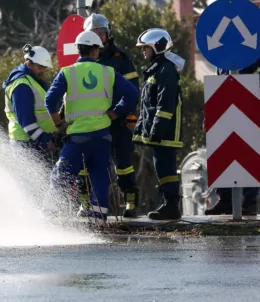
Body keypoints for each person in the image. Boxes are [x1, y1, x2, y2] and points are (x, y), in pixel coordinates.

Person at [44, 31, 139, 225]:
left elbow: (50, 100)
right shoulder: (108, 72)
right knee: (100, 179)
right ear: (96, 51)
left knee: (61, 176)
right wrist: (115, 113)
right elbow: (132, 93)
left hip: (77, 138)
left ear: (78, 50)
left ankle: (48, 218)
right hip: (102, 137)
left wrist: (59, 125)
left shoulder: (67, 72)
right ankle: (99, 222)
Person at [83, 14, 141, 217]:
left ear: (108, 34)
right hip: (93, 122)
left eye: (101, 33)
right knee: (90, 164)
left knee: (124, 164)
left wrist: (130, 121)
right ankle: (89, 204)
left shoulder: (121, 59)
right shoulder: (84, 60)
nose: (98, 37)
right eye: (93, 34)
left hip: (119, 121)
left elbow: (134, 91)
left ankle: (131, 203)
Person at [206, 54, 260, 216]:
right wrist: (211, 115)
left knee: (248, 156)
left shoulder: (253, 56)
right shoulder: (221, 60)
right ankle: (225, 200)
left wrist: (254, 112)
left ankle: (249, 202)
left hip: (247, 115)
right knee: (222, 155)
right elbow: (218, 88)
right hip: (223, 118)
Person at [132, 28, 184, 220]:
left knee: (166, 168)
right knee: (162, 167)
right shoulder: (156, 69)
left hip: (167, 132)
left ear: (158, 46)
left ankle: (171, 206)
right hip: (160, 131)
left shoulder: (166, 70)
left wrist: (157, 130)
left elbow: (165, 104)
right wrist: (141, 129)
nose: (143, 51)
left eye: (146, 47)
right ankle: (168, 204)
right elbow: (148, 106)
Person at [2, 44, 59, 168]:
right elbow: (26, 120)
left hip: (34, 140)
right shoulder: (22, 85)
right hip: (27, 143)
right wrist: (44, 139)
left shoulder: (32, 81)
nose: (43, 70)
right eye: (40, 67)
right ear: (29, 64)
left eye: (44, 67)